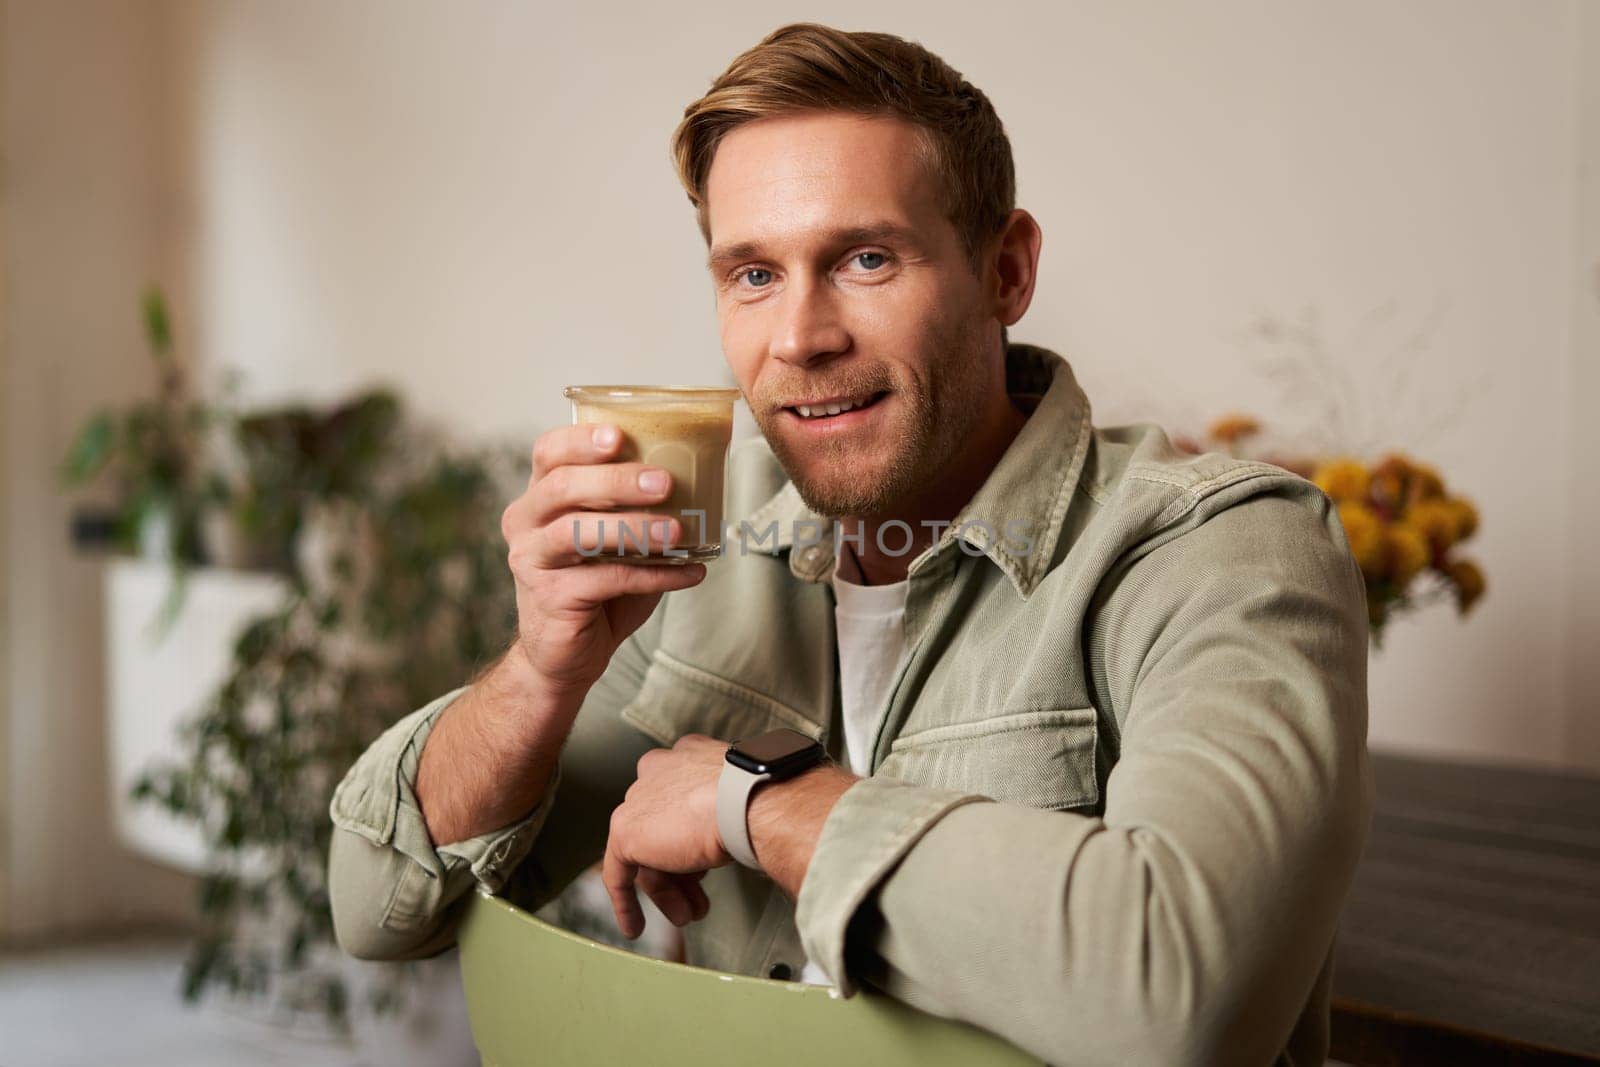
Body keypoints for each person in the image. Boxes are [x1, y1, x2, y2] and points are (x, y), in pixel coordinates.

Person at [327, 22, 1372, 1066]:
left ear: (1005, 270)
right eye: (751, 274)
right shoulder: (707, 545)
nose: (798, 337)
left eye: (865, 258)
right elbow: (375, 907)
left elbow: (1187, 997)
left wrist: (757, 805)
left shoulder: (1222, 550)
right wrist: (540, 669)